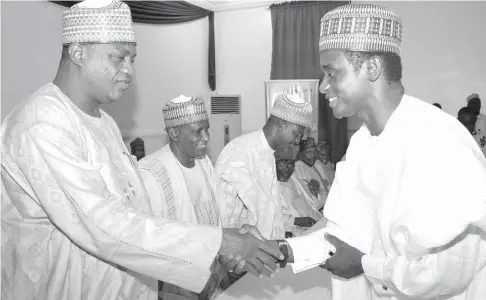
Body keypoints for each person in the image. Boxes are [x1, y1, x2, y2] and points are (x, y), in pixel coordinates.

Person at [239, 3, 486, 299]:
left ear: (372, 68)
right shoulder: (362, 144)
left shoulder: (438, 140)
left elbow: (448, 271)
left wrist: (365, 265)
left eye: (332, 73)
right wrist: (279, 250)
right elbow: (341, 235)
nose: (322, 87)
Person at [0, 1, 283, 299]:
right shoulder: (41, 123)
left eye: (132, 59)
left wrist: (207, 253)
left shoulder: (104, 123)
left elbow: (137, 216)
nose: (129, 70)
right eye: (119, 57)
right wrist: (219, 242)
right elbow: (103, 226)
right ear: (78, 53)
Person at [137, 95, 225, 300]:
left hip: (211, 278)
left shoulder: (203, 162)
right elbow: (148, 242)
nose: (207, 137)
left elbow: (215, 218)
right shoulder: (150, 173)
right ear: (175, 133)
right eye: (198, 131)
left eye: (207, 129)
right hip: (176, 287)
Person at [215, 93, 311, 240]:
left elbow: (270, 213)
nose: (297, 140)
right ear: (281, 124)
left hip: (264, 250)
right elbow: (224, 215)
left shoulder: (268, 153)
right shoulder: (241, 153)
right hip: (242, 252)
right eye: (296, 133)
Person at [276, 155, 321, 237]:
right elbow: (273, 218)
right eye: (282, 164)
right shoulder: (272, 188)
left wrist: (314, 190)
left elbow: (312, 202)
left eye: (290, 164)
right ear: (274, 164)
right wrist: (298, 221)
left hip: (315, 222)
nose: (287, 168)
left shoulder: (295, 179)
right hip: (297, 232)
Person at [292, 137, 329, 210]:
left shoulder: (317, 165)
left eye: (314, 151)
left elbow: (326, 187)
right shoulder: (298, 168)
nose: (312, 155)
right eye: (308, 152)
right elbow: (310, 200)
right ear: (300, 153)